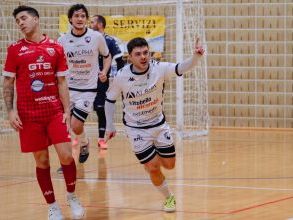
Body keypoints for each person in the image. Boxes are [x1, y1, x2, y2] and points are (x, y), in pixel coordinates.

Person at [104, 37, 205, 212]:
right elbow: (109, 99)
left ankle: (151, 158)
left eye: (146, 53)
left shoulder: (159, 68)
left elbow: (182, 67)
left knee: (169, 165)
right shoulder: (122, 76)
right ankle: (168, 197)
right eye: (138, 54)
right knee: (152, 167)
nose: (143, 57)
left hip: (158, 124)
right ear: (130, 58)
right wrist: (109, 125)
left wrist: (195, 57)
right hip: (136, 129)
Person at [2, 6, 84, 220]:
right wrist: (10, 111)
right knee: (42, 161)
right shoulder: (14, 50)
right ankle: (53, 206)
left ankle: (72, 196)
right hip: (29, 115)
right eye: (17, 20)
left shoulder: (56, 48)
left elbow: (62, 82)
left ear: (36, 19)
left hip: (54, 111)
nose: (20, 23)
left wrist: (67, 111)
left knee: (66, 155)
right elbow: (8, 82)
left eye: (24, 18)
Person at [58, 4, 112, 163]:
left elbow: (107, 56)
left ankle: (84, 142)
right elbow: (57, 63)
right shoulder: (62, 40)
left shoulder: (96, 37)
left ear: (86, 19)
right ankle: (68, 161)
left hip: (88, 89)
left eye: (82, 16)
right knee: (65, 127)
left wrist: (104, 71)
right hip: (68, 89)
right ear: (70, 19)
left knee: (75, 125)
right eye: (76, 16)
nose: (79, 19)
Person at [89, 14, 125, 149]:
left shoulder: (109, 40)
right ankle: (77, 138)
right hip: (84, 80)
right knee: (77, 107)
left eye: (92, 22)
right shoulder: (87, 40)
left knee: (100, 108)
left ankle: (101, 139)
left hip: (101, 81)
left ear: (99, 24)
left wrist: (121, 79)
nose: (89, 24)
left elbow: (120, 61)